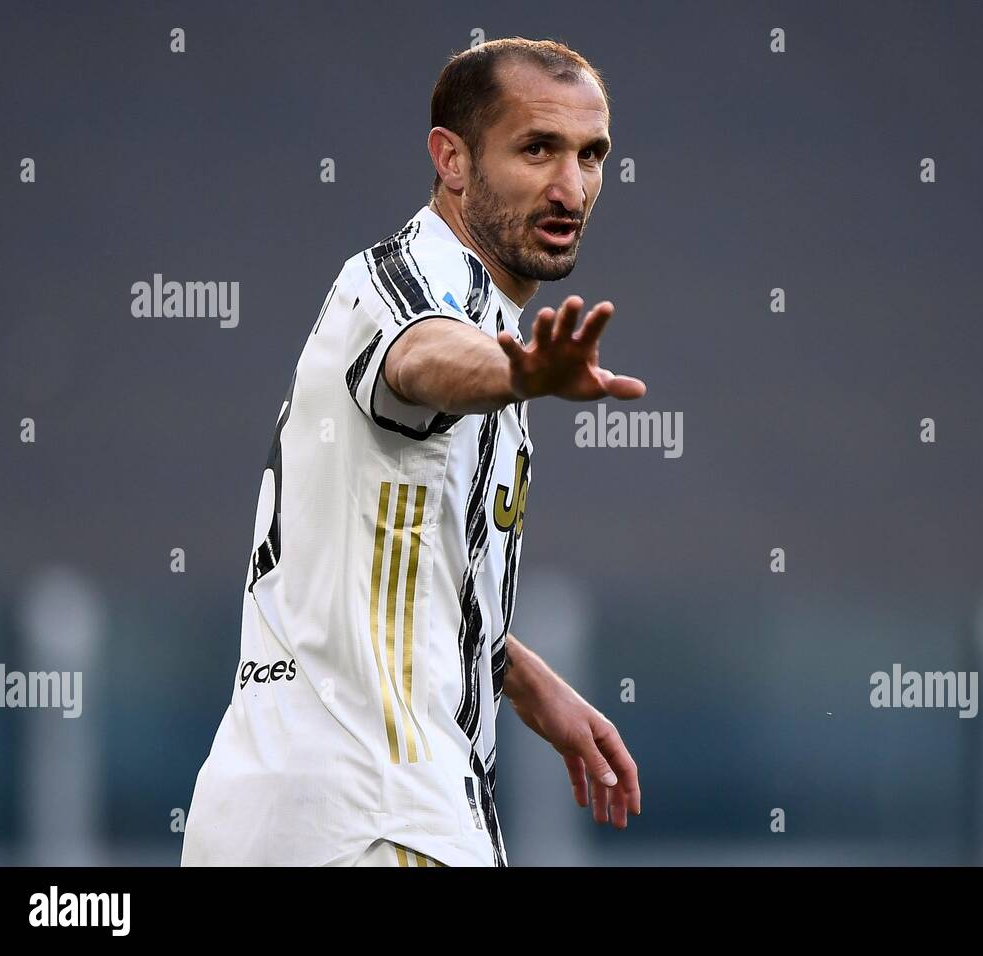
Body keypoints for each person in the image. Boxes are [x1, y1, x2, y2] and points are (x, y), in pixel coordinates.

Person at [182, 37, 643, 868]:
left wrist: (524, 680)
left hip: (286, 810)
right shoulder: (407, 285)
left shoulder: (473, 313)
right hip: (379, 813)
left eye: (591, 154)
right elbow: (420, 358)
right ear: (452, 159)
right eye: (537, 148)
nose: (571, 186)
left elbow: (390, 561)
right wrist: (520, 371)